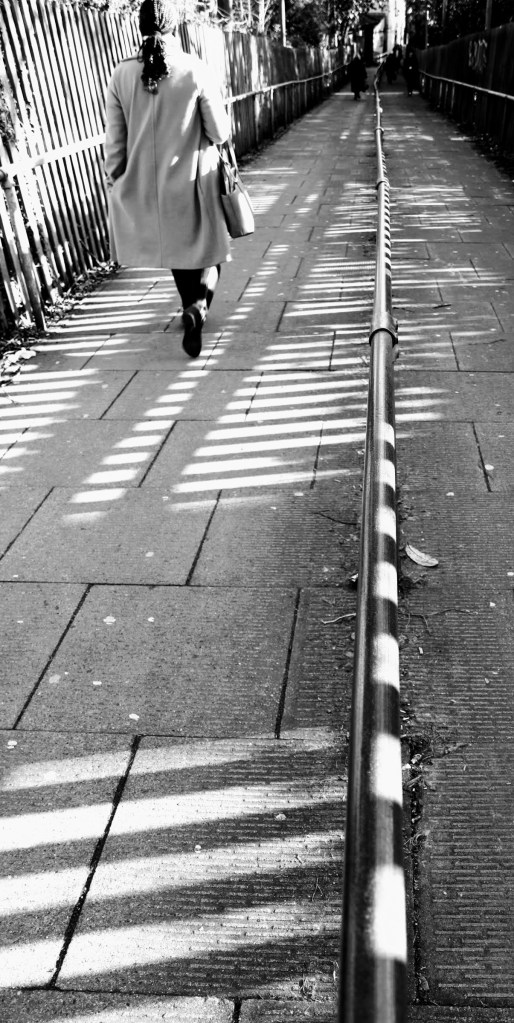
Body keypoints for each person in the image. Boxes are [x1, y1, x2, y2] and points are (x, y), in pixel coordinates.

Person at [104, 0, 232, 359]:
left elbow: (114, 145)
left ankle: (191, 308)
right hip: (195, 180)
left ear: (140, 27)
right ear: (176, 27)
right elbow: (220, 133)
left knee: (178, 249)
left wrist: (116, 180)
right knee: (212, 250)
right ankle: (198, 309)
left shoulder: (121, 74)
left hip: (148, 185)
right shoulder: (194, 69)